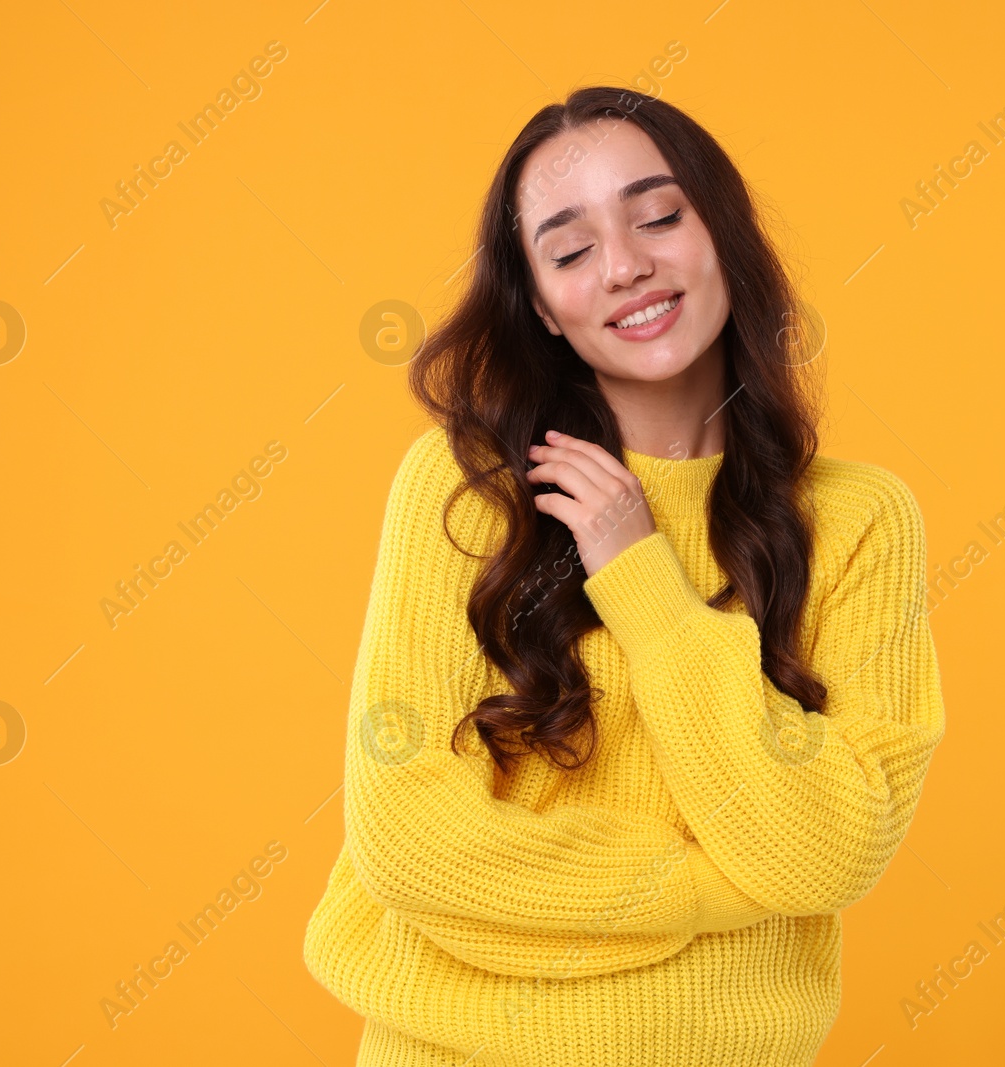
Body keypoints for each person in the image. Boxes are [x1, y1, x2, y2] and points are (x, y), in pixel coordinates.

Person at [304, 85, 948, 1067]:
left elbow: (830, 846)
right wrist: (717, 883)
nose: (625, 266)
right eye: (569, 250)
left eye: (657, 216)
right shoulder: (468, 490)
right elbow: (406, 834)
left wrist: (638, 571)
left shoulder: (859, 521)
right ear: (545, 311)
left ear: (722, 234)